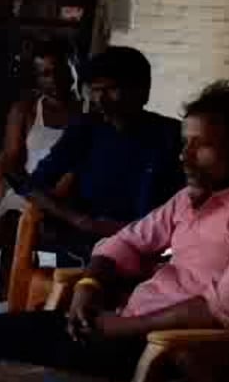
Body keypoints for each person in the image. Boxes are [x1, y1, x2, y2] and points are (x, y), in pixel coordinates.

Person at [0, 84, 229, 382]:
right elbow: (125, 241)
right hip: (119, 325)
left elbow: (226, 308)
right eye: (185, 143)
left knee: (6, 375)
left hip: (162, 350)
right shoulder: (192, 198)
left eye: (201, 146)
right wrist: (88, 286)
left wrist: (123, 327)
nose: (184, 157)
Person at [11, 45, 184, 265]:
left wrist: (128, 231)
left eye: (111, 89)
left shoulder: (172, 136)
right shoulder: (85, 129)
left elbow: (186, 204)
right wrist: (79, 220)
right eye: (95, 90)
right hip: (84, 245)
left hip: (148, 249)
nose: (100, 99)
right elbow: (35, 184)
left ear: (143, 91)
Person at [0, 37, 84, 289]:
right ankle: (0, 292)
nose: (53, 79)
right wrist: (32, 191)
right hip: (27, 190)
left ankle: (50, 293)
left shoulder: (88, 113)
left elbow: (82, 166)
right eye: (45, 74)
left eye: (60, 70)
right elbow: (11, 158)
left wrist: (56, 198)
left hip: (70, 197)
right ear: (37, 78)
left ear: (75, 67)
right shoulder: (25, 110)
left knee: (69, 229)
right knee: (12, 224)